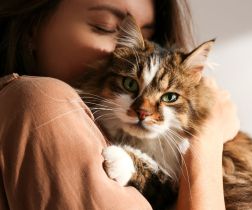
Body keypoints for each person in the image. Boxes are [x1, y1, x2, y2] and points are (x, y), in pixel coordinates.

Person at [0, 0, 239, 209]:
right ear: (32, 27)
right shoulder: (42, 99)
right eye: (105, 27)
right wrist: (206, 141)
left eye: (147, 35)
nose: (126, 50)